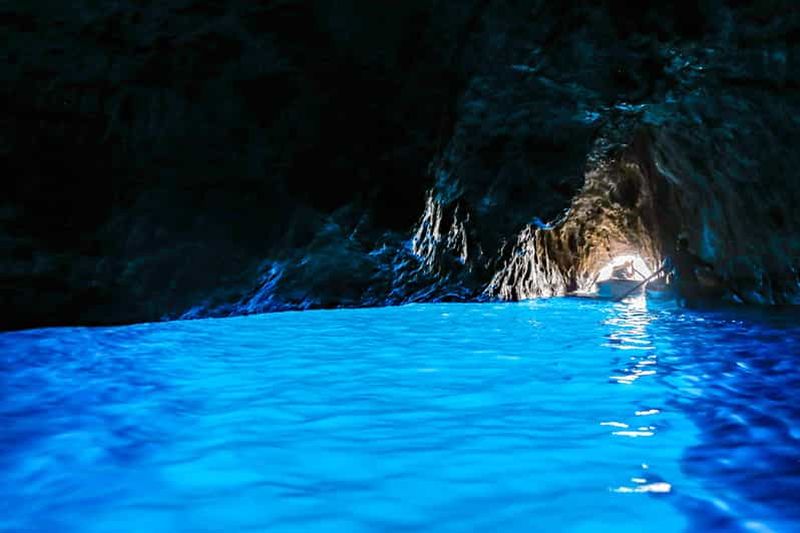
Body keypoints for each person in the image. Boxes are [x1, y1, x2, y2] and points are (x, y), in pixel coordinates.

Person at [662, 236, 714, 305]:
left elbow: (667, 269)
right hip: (691, 282)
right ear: (687, 246)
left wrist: (668, 272)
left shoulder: (673, 256)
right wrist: (710, 266)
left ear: (679, 246)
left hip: (679, 282)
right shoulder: (692, 256)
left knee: (679, 304)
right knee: (691, 304)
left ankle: (680, 304)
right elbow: (704, 264)